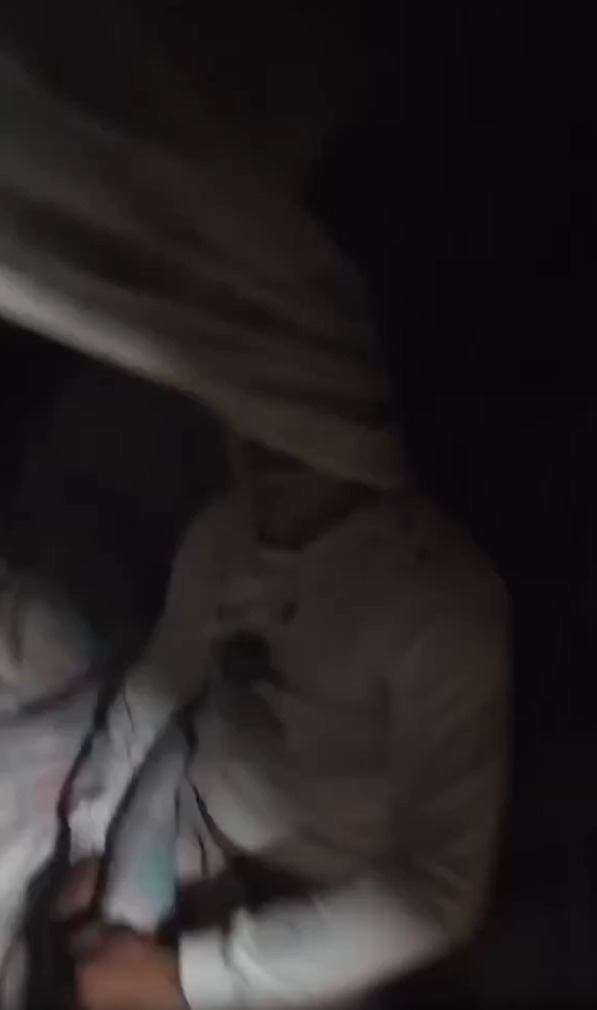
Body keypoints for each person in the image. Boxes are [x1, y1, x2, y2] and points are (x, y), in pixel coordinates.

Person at [0, 52, 508, 1010]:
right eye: (251, 415)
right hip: (192, 802)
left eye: (291, 419)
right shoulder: (225, 534)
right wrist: (94, 842)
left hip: (323, 884)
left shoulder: (441, 608)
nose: (264, 445)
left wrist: (187, 979)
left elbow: (437, 893)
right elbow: (161, 685)